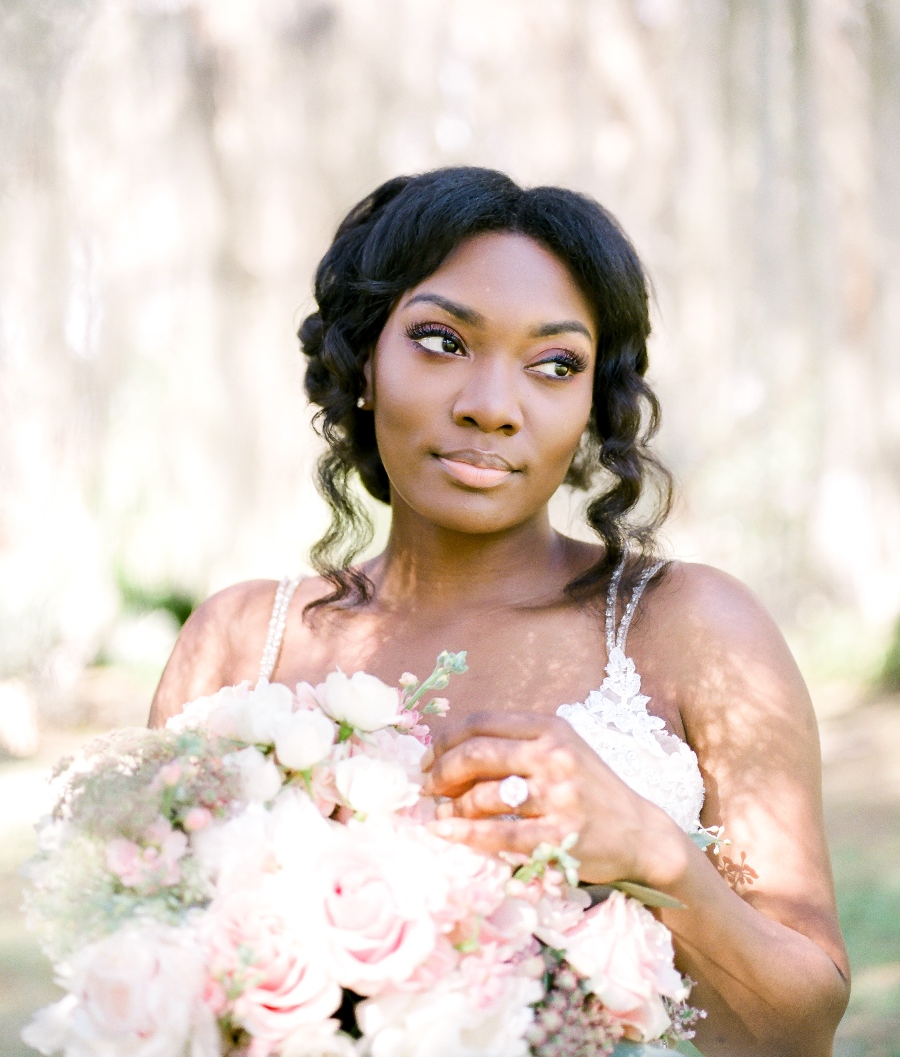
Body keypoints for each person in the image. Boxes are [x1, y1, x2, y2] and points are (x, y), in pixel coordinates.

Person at [150, 167, 849, 1056]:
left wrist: (653, 852)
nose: (490, 407)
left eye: (555, 364)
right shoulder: (238, 647)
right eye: (442, 342)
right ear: (364, 360)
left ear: (593, 404)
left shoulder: (695, 629)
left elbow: (805, 1030)